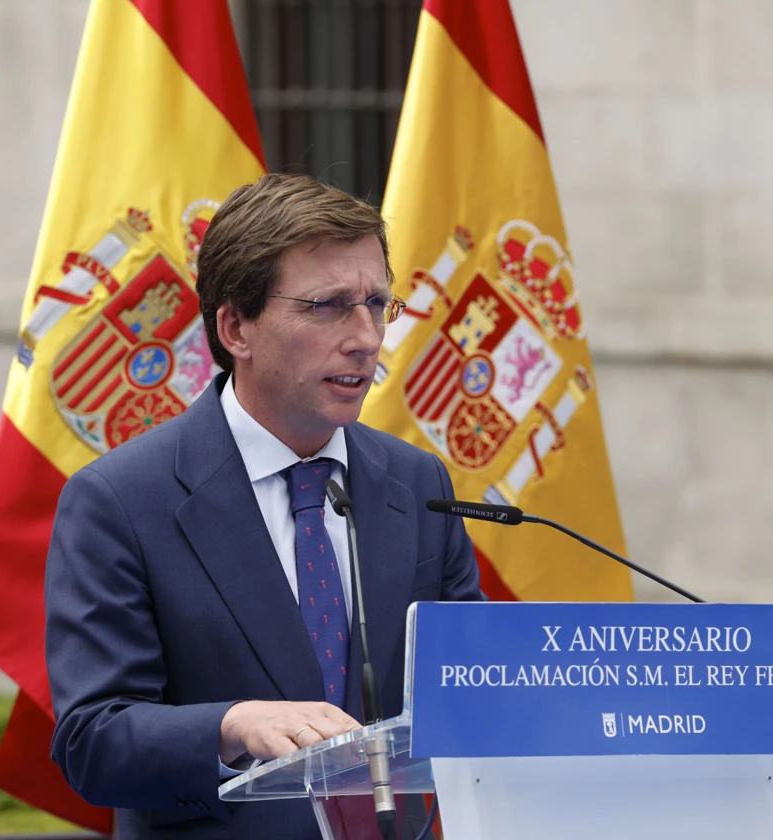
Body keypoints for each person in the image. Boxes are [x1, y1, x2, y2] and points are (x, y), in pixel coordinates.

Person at [44, 173, 484, 839]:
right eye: (329, 307)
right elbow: (91, 739)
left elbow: (472, 696)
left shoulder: (416, 482)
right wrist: (229, 725)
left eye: (376, 304)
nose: (366, 338)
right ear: (236, 327)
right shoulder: (121, 502)